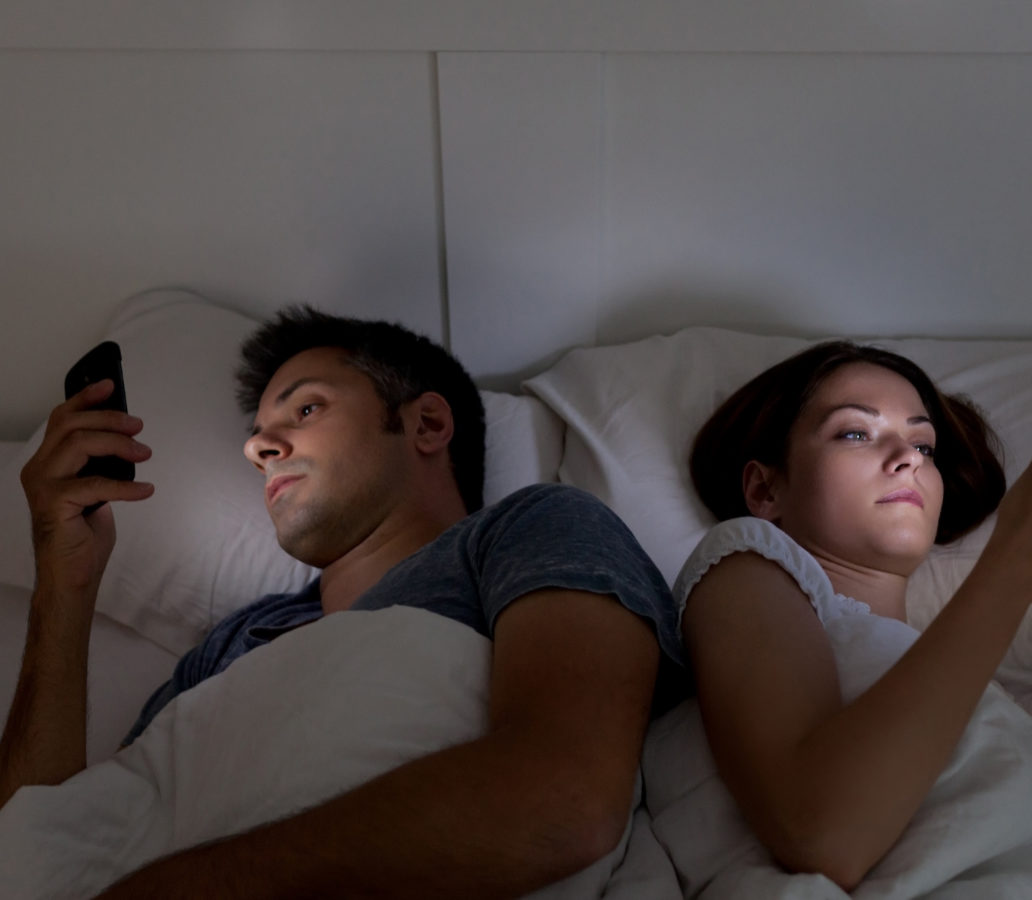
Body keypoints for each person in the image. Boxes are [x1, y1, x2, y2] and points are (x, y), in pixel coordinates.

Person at [0, 306, 685, 898]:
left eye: (306, 408)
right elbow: (43, 846)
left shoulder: (532, 530)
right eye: (258, 444)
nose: (259, 447)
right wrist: (65, 587)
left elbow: (566, 801)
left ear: (427, 423)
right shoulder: (231, 647)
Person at [674, 341, 1032, 895]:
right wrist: (1021, 559)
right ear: (764, 487)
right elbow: (824, 835)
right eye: (855, 432)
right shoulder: (740, 563)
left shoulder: (981, 707)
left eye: (925, 444)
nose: (907, 456)